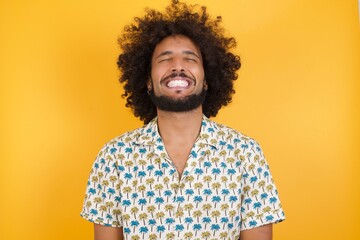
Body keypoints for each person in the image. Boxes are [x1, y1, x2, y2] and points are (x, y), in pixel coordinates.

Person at [81, 1, 285, 239]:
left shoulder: (246, 154)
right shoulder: (113, 158)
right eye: (165, 59)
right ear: (148, 80)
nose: (177, 66)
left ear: (207, 79)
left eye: (190, 59)